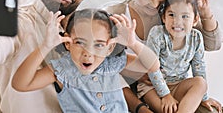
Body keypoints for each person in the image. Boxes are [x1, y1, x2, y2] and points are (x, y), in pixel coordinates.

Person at [105, 0, 223, 113]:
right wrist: (137, 74)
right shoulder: (113, 15)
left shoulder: (171, 12)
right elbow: (101, 65)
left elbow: (212, 44)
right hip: (134, 92)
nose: (155, 4)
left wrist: (204, 11)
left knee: (213, 111)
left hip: (172, 85)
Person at [12, 9, 161, 112]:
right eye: (80, 43)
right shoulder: (62, 70)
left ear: (109, 48)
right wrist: (45, 46)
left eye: (99, 45)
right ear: (68, 44)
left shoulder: (112, 63)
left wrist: (133, 43)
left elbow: (153, 65)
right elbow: (20, 84)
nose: (88, 53)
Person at [139, 0, 212, 113]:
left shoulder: (196, 37)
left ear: (195, 20)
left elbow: (199, 68)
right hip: (152, 87)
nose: (177, 21)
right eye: (172, 15)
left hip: (179, 85)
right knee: (169, 110)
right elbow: (152, 68)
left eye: (185, 16)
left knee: (201, 83)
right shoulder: (157, 34)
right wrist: (166, 95)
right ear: (163, 17)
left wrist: (203, 98)